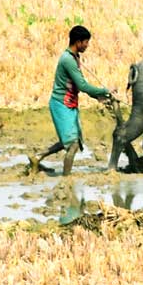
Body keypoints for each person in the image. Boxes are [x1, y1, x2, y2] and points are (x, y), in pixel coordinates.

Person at [29, 25, 113, 175]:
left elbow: (79, 86)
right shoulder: (68, 60)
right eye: (86, 42)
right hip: (61, 104)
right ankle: (66, 180)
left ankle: (38, 157)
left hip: (69, 103)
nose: (87, 46)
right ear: (78, 42)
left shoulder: (74, 57)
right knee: (72, 144)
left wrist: (98, 97)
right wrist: (104, 91)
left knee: (67, 140)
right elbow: (82, 85)